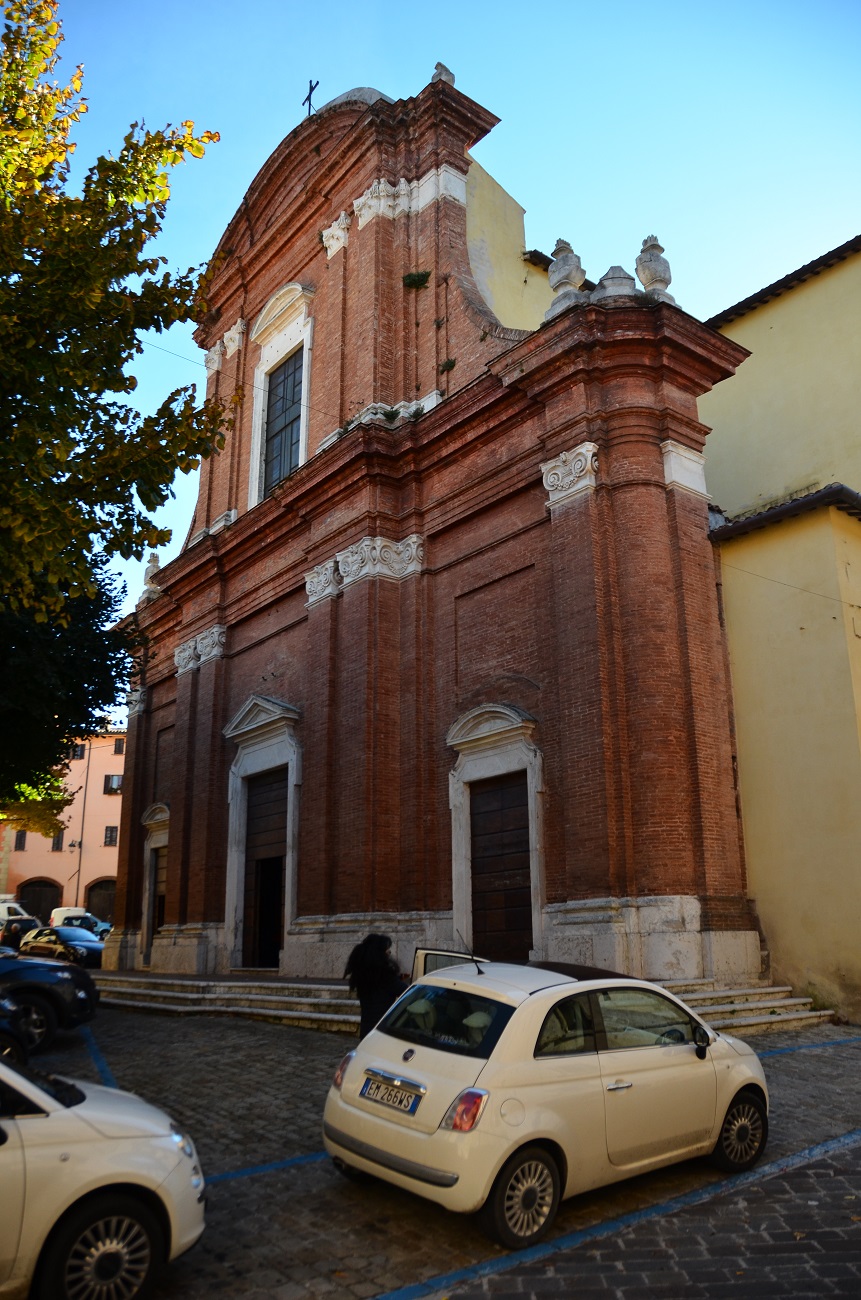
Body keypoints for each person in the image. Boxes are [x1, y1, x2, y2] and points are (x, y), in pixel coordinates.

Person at [344, 933, 405, 1038]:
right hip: (382, 1031)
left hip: (366, 1030)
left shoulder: (362, 976)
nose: (389, 952)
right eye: (387, 950)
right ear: (379, 954)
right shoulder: (386, 977)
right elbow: (406, 991)